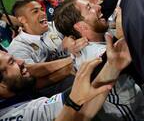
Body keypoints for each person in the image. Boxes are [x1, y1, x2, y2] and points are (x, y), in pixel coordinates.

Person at [53, 0, 144, 120]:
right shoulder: (95, 56)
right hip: (134, 116)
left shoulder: (93, 41)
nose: (98, 7)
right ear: (81, 27)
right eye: (89, 8)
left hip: (142, 106)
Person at [0, 30, 131, 121]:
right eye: (11, 63)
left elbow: (80, 115)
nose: (21, 61)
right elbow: (73, 104)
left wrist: (112, 67)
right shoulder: (16, 114)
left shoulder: (14, 92)